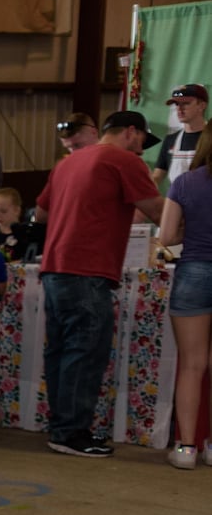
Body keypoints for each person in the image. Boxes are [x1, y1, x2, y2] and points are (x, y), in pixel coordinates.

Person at [33, 109, 164, 458]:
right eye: (140, 144)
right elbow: (158, 212)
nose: (140, 152)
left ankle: (61, 427)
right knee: (85, 351)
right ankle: (72, 432)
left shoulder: (67, 163)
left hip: (55, 265)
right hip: (88, 267)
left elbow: (41, 214)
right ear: (132, 133)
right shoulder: (124, 161)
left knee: (61, 350)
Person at [157, 128, 212, 468]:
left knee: (192, 366)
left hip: (194, 271)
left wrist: (188, 230)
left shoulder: (184, 183)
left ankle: (186, 449)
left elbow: (165, 236)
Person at [152, 84, 207, 187]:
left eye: (186, 103)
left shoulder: (209, 137)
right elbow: (157, 177)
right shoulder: (171, 140)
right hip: (177, 202)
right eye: (176, 104)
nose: (179, 109)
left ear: (202, 106)